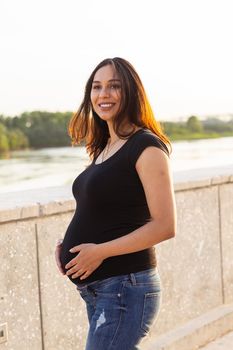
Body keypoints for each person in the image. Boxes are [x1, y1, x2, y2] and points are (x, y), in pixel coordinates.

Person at [55, 57, 176, 350]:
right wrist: (67, 245)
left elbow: (165, 226)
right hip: (101, 289)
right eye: (96, 87)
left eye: (114, 86)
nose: (103, 95)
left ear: (131, 92)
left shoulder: (146, 147)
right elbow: (105, 211)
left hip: (125, 286)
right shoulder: (105, 147)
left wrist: (99, 252)